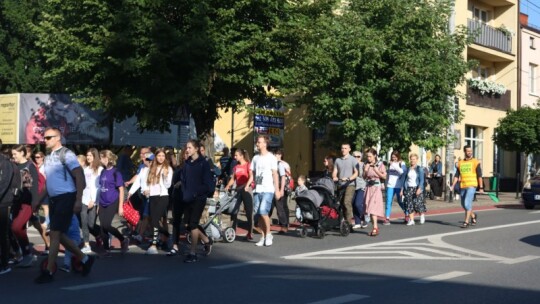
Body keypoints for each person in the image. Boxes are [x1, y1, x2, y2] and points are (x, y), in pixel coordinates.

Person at [35, 127, 94, 284]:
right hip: (54, 200)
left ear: (57, 138)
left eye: (49, 137)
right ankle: (85, 259)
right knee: (58, 234)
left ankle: (48, 271)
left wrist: (77, 199)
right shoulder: (48, 158)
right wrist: (38, 201)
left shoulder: (66, 154)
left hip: (66, 198)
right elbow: (49, 183)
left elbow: (79, 175)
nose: (45, 140)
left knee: (54, 234)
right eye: (44, 137)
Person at [181, 140, 215, 262]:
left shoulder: (203, 164)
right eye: (187, 147)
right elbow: (183, 180)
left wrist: (196, 192)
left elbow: (208, 185)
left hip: (199, 198)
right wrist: (185, 193)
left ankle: (193, 253)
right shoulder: (187, 163)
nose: (187, 150)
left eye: (189, 148)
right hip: (188, 198)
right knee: (188, 224)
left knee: (194, 224)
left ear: (196, 149)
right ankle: (207, 240)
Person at [11, 145, 40, 267]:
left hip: (27, 203)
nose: (13, 157)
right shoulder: (13, 166)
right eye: (12, 154)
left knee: (16, 227)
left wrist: (35, 204)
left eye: (15, 154)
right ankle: (26, 254)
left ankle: (27, 254)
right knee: (19, 228)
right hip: (15, 202)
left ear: (22, 153)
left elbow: (34, 187)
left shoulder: (30, 166)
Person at [97, 150, 129, 256]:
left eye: (101, 157)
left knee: (106, 225)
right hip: (102, 202)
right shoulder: (102, 172)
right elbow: (100, 188)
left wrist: (120, 207)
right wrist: (98, 203)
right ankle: (106, 249)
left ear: (107, 158)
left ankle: (122, 239)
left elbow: (121, 190)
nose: (100, 160)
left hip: (112, 201)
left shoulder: (116, 173)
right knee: (102, 226)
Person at [250, 135, 280, 247]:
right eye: (257, 142)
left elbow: (275, 174)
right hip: (258, 189)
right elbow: (253, 173)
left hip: (268, 189)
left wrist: (277, 190)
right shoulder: (255, 158)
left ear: (265, 144)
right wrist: (250, 184)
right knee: (259, 213)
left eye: (259, 142)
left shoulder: (271, 157)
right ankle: (263, 236)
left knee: (263, 211)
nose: (257, 144)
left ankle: (268, 234)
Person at [145, 148, 173, 255]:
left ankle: (154, 244)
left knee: (156, 219)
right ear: (156, 157)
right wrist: (145, 190)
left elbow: (167, 185)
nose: (161, 158)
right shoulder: (152, 167)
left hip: (163, 196)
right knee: (153, 221)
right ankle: (168, 235)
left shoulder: (168, 168)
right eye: (159, 156)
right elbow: (147, 182)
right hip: (153, 196)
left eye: (163, 156)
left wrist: (165, 176)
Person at [224, 148, 254, 240]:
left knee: (249, 211)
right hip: (238, 189)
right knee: (234, 209)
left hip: (246, 189)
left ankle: (250, 232)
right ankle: (232, 229)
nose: (234, 157)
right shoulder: (236, 167)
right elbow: (233, 178)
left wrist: (247, 185)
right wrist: (228, 186)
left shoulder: (248, 165)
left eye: (236, 155)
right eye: (234, 155)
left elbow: (251, 176)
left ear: (242, 156)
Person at [451, 145, 482, 228]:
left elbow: (479, 175)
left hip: (472, 185)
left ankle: (466, 222)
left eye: (470, 151)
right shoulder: (460, 163)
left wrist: (481, 187)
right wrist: (453, 185)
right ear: (464, 152)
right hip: (463, 186)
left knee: (467, 203)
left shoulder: (475, 162)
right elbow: (456, 176)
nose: (470, 152)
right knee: (464, 205)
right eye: (468, 151)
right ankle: (473, 216)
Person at [127, 152, 153, 243]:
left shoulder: (154, 169)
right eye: (146, 159)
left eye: (148, 159)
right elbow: (138, 181)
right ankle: (156, 234)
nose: (145, 160)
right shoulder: (142, 168)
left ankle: (141, 235)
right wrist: (130, 192)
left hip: (153, 197)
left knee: (147, 216)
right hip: (144, 196)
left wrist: (150, 190)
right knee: (147, 216)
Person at [80, 148, 102, 253]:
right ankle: (86, 244)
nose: (88, 157)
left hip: (93, 200)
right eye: (87, 155)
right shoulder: (86, 169)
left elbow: (98, 187)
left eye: (90, 155)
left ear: (95, 157)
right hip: (84, 199)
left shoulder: (99, 169)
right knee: (83, 222)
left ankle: (102, 235)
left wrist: (93, 200)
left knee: (91, 224)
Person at [168, 148, 189, 256]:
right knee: (176, 221)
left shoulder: (193, 167)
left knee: (189, 223)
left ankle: (204, 239)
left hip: (189, 198)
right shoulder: (179, 167)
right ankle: (175, 245)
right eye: (185, 153)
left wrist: (182, 182)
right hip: (177, 197)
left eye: (188, 152)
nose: (186, 155)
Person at [332, 143, 358, 225]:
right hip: (340, 184)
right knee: (341, 203)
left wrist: (348, 178)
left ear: (349, 149)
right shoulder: (338, 160)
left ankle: (349, 224)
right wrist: (334, 176)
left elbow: (356, 173)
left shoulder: (353, 160)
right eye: (342, 148)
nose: (343, 150)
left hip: (350, 184)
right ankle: (342, 222)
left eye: (345, 148)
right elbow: (334, 172)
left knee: (346, 202)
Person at [363, 148, 387, 237]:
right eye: (367, 156)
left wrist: (377, 171)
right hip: (368, 187)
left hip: (376, 187)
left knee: (373, 208)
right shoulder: (366, 164)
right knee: (369, 209)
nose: (368, 158)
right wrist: (365, 171)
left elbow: (384, 177)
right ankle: (375, 227)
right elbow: (364, 177)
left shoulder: (380, 164)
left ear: (375, 156)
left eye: (370, 156)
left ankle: (375, 228)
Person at [0, 139, 16, 275]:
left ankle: (4, 264)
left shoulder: (5, 163)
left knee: (2, 234)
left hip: (3, 203)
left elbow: (4, 184)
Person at [400, 153, 427, 226]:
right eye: (411, 159)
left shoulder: (419, 169)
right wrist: (402, 189)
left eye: (414, 159)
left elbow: (422, 180)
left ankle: (421, 215)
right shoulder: (408, 169)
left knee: (418, 203)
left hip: (417, 187)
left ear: (417, 160)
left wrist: (419, 188)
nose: (412, 161)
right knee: (409, 204)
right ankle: (412, 220)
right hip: (408, 188)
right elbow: (405, 180)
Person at [385, 151, 407, 225]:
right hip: (390, 185)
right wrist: (386, 183)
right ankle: (387, 218)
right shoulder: (390, 164)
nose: (393, 158)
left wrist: (394, 165)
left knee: (400, 201)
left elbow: (402, 172)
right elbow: (389, 174)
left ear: (398, 156)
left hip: (398, 186)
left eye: (395, 157)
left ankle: (407, 214)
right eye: (392, 157)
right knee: (388, 201)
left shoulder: (402, 163)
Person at [274, 149, 291, 233]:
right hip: (277, 187)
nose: (276, 155)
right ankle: (285, 223)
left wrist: (282, 189)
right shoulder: (273, 163)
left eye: (278, 154)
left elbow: (288, 175)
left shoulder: (283, 164)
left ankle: (285, 224)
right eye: (275, 154)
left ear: (281, 155)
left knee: (282, 206)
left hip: (283, 187)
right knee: (281, 206)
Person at [351, 151, 367, 229]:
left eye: (358, 156)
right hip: (352, 186)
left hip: (361, 186)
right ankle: (357, 222)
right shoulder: (350, 164)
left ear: (361, 158)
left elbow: (364, 176)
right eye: (355, 156)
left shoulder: (363, 165)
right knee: (353, 204)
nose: (356, 158)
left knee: (358, 204)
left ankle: (364, 217)